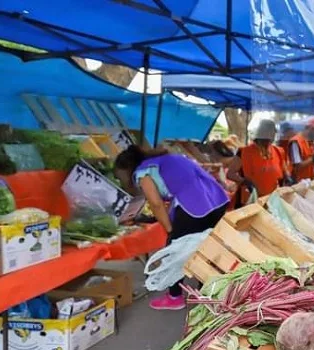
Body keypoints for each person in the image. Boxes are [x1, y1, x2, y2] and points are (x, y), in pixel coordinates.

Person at [114, 145, 230, 311]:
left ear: (127, 169)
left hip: (195, 206)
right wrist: (161, 220)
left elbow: (156, 203)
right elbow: (176, 196)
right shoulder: (167, 159)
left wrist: (169, 230)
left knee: (174, 251)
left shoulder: (143, 172)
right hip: (216, 200)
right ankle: (208, 293)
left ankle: (175, 297)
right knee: (207, 248)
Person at [227, 119, 292, 201]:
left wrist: (288, 177)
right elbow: (230, 174)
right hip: (250, 198)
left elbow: (285, 172)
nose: (270, 139)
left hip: (272, 199)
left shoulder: (278, 151)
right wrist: (244, 181)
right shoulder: (244, 152)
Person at [289, 116, 314, 181]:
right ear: (312, 129)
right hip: (298, 183)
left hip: (308, 181)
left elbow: (311, 165)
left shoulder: (311, 143)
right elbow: (297, 167)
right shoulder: (296, 142)